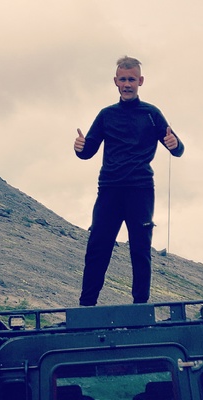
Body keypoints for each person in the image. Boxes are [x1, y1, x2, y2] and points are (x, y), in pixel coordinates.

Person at [74, 56, 184, 306]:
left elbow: (178, 149)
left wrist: (174, 144)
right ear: (115, 81)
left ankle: (140, 308)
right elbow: (87, 152)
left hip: (140, 190)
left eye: (131, 79)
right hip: (109, 190)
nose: (127, 84)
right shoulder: (106, 115)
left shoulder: (152, 114)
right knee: (98, 248)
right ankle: (86, 307)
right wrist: (79, 147)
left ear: (140, 81)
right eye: (122, 79)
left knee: (140, 250)